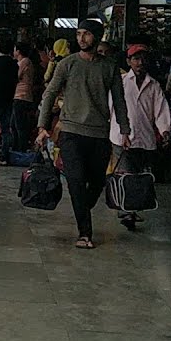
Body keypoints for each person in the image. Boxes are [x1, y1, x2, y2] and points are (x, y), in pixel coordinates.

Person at [36, 18, 131, 249]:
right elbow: (49, 94)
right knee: (76, 181)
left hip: (99, 134)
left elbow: (119, 101)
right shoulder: (67, 64)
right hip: (70, 132)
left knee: (97, 182)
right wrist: (42, 127)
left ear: (97, 38)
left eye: (86, 34)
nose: (81, 38)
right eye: (78, 34)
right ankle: (85, 233)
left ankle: (82, 208)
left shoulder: (109, 67)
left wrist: (125, 129)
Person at [108, 43, 171, 230]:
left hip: (144, 138)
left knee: (137, 175)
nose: (140, 63)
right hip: (120, 136)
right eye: (136, 59)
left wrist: (164, 130)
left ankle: (131, 208)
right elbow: (111, 108)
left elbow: (160, 111)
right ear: (129, 61)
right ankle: (126, 210)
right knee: (125, 172)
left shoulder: (153, 85)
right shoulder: (120, 82)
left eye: (143, 59)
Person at [11, 42, 39, 156]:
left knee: (19, 125)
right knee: (15, 124)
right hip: (21, 96)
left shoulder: (24, 62)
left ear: (18, 51)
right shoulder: (25, 62)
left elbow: (15, 77)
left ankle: (21, 149)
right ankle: (16, 147)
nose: (13, 52)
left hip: (22, 96)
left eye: (15, 50)